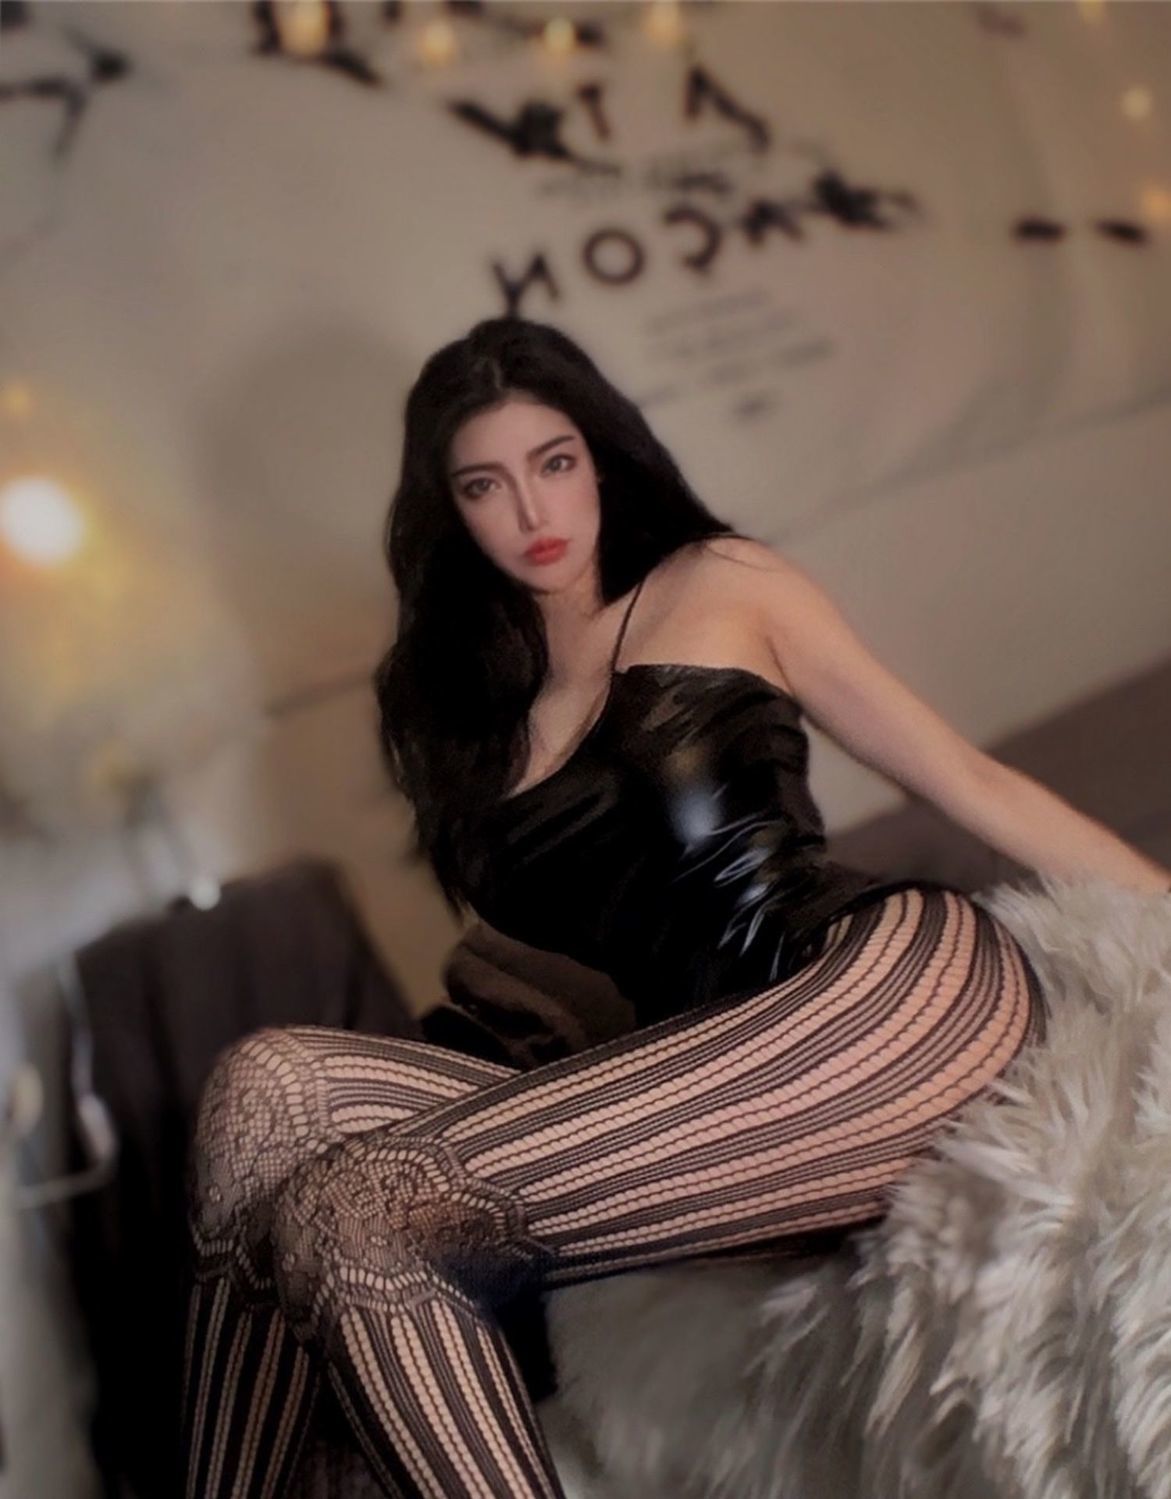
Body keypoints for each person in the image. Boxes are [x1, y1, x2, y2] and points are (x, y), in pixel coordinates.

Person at [181, 317, 1171, 1499]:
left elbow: (968, 779)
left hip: (880, 998)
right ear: (448, 509)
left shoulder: (718, 585)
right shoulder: (470, 718)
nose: (533, 509)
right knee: (266, 1089)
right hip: (711, 1078)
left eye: (554, 461)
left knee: (362, 1210)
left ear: (599, 457)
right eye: (485, 485)